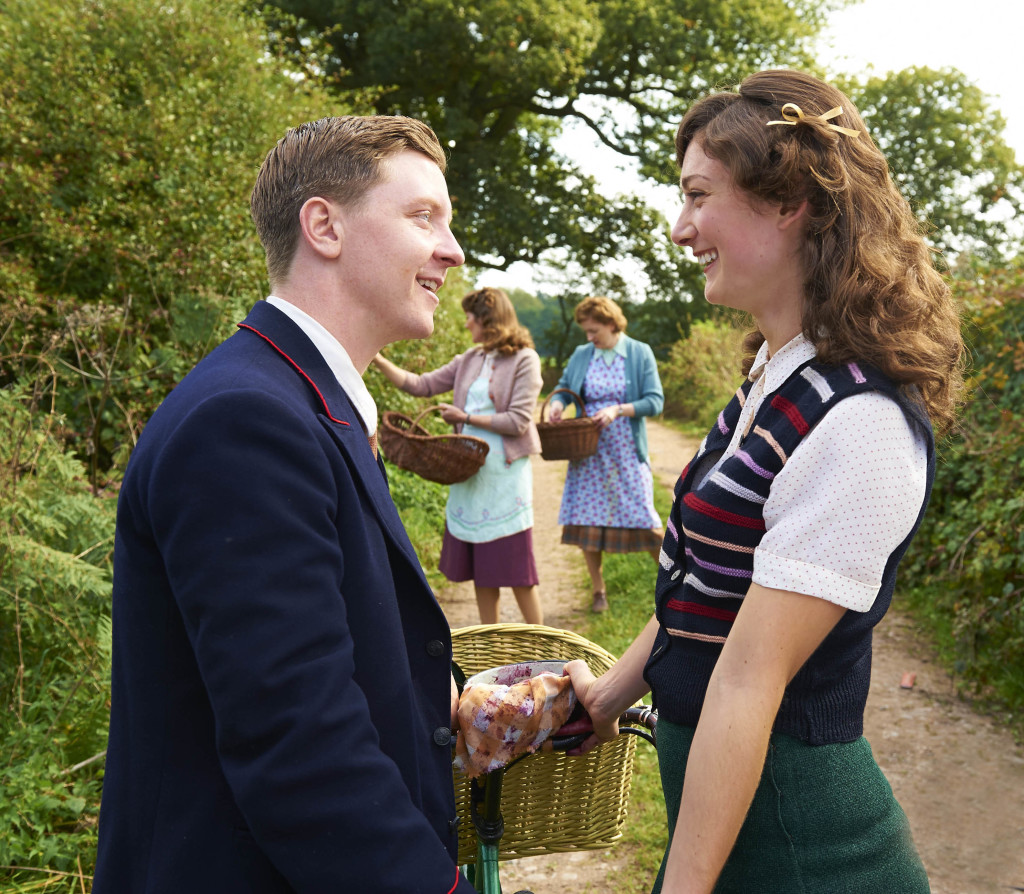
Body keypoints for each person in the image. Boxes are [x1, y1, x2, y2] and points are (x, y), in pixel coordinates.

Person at [563, 69, 964, 893]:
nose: (680, 228)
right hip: (736, 830)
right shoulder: (777, 379)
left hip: (805, 851)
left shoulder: (859, 421)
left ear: (791, 203)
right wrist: (605, 699)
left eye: (697, 195)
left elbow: (750, 679)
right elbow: (704, 590)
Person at [93, 115, 479, 893]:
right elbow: (299, 745)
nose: (453, 250)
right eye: (422, 216)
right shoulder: (245, 420)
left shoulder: (298, 399)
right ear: (324, 226)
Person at [372, 286, 544, 626]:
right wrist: (376, 357)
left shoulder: (525, 359)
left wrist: (465, 417)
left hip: (504, 474)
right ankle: (491, 642)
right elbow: (420, 385)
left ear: (488, 320)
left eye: (470, 318)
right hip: (469, 470)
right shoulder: (470, 359)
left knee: (517, 570)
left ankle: (542, 642)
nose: (466, 324)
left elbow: (518, 421)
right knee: (483, 570)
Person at [547, 295, 664, 612]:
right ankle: (599, 591)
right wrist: (557, 404)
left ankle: (675, 582)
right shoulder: (582, 354)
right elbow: (564, 387)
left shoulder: (639, 352)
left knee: (644, 516)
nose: (589, 337)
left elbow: (655, 401)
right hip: (588, 452)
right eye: (586, 331)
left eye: (594, 331)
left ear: (612, 324)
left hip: (625, 452)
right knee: (587, 521)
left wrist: (617, 409)